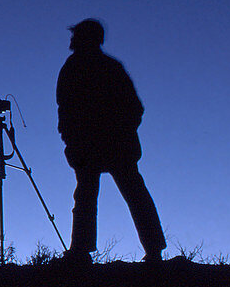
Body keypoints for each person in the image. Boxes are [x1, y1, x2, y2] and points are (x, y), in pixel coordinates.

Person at [56, 19, 166, 264]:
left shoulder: (83, 68)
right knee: (102, 195)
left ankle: (83, 252)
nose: (71, 40)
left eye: (76, 36)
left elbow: (133, 108)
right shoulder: (102, 67)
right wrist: (71, 140)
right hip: (100, 146)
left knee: (117, 195)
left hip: (110, 146)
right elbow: (66, 110)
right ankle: (84, 252)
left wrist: (114, 133)